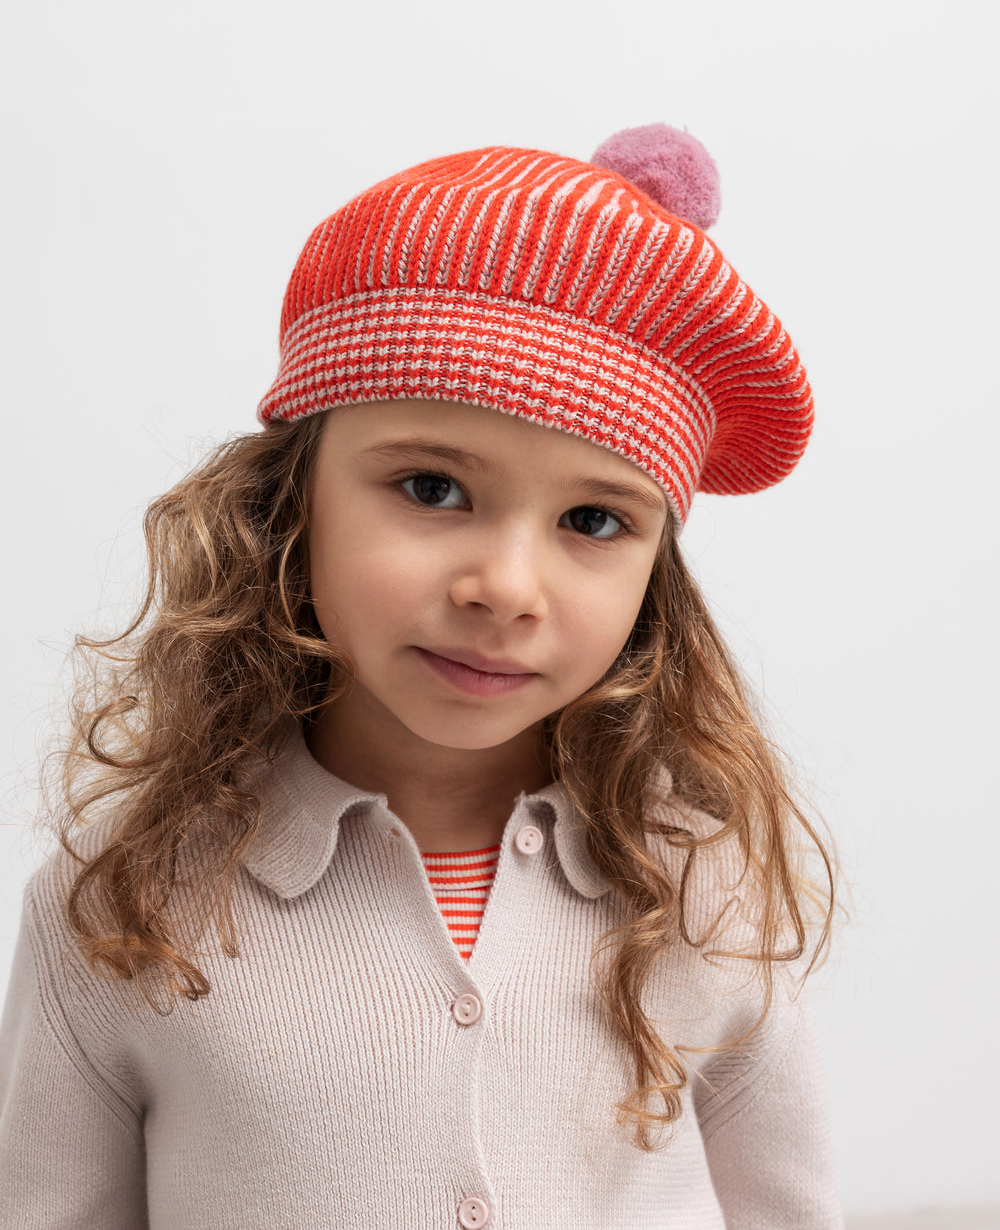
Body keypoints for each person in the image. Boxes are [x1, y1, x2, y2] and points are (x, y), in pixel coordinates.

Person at [0, 123, 847, 1228]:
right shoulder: (119, 902)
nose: (505, 586)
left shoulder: (705, 892)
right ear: (287, 505)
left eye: (593, 519)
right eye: (432, 488)